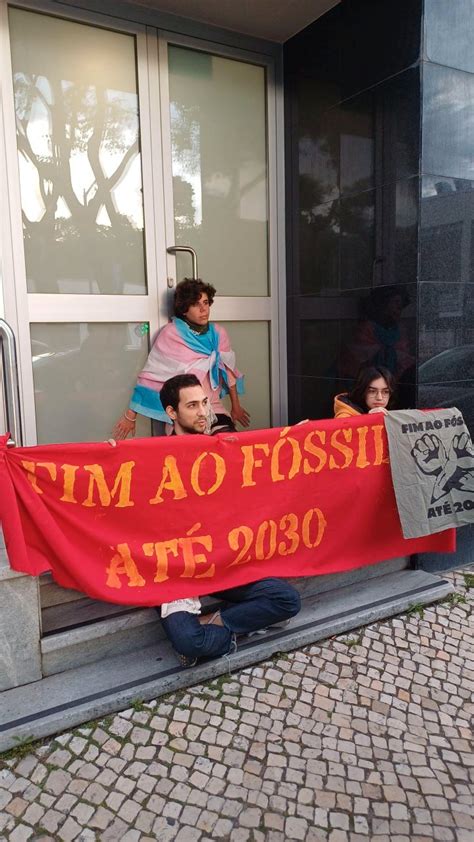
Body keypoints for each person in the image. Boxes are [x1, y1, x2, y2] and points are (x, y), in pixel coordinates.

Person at [157, 374, 301, 667]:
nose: (203, 412)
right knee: (188, 641)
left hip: (225, 563)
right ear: (172, 412)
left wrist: (296, 442)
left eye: (205, 403)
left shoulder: (224, 448)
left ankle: (214, 621)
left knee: (287, 601)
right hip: (178, 570)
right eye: (192, 405)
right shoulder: (154, 457)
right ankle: (224, 634)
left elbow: (265, 473)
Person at [112, 278, 250, 439]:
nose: (203, 309)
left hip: (213, 409)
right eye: (196, 304)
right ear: (184, 309)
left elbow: (228, 371)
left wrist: (236, 407)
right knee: (190, 455)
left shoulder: (218, 334)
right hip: (184, 415)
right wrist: (131, 416)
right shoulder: (171, 334)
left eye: (206, 303)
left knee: (228, 444)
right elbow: (152, 377)